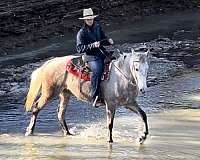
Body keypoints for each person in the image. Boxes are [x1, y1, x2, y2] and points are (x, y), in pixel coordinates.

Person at [76, 8, 114, 107]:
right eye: (88, 19)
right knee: (98, 71)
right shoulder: (81, 32)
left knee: (114, 63)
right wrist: (93, 45)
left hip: (100, 52)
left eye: (91, 19)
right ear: (84, 20)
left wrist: (108, 41)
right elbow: (79, 48)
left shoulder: (98, 27)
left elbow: (103, 39)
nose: (90, 20)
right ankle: (95, 97)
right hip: (89, 56)